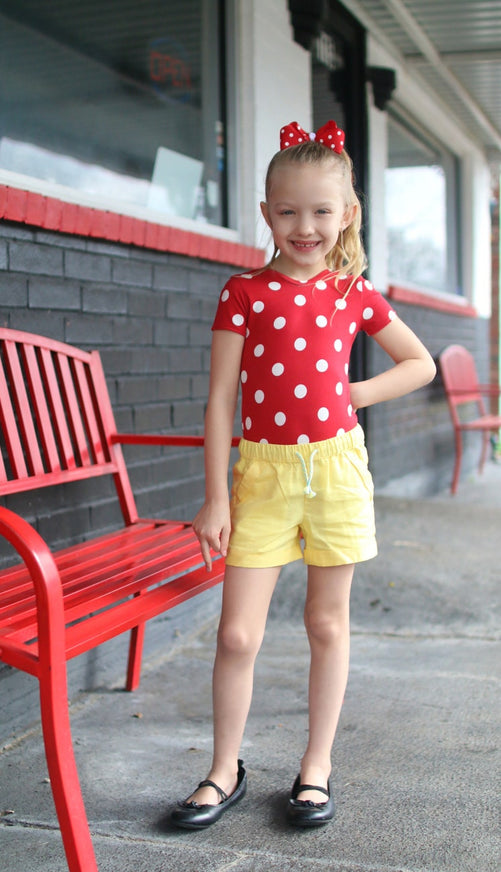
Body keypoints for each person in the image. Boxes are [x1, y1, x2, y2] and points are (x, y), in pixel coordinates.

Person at [171, 120, 436, 830]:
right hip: (261, 476)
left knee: (325, 622)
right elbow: (220, 399)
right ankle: (223, 769)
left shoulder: (353, 293)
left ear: (345, 214)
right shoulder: (243, 292)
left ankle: (315, 767)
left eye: (320, 211)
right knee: (236, 635)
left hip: (336, 472)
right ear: (266, 214)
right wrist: (213, 495)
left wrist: (353, 395)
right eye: (286, 211)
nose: (304, 226)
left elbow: (420, 363)